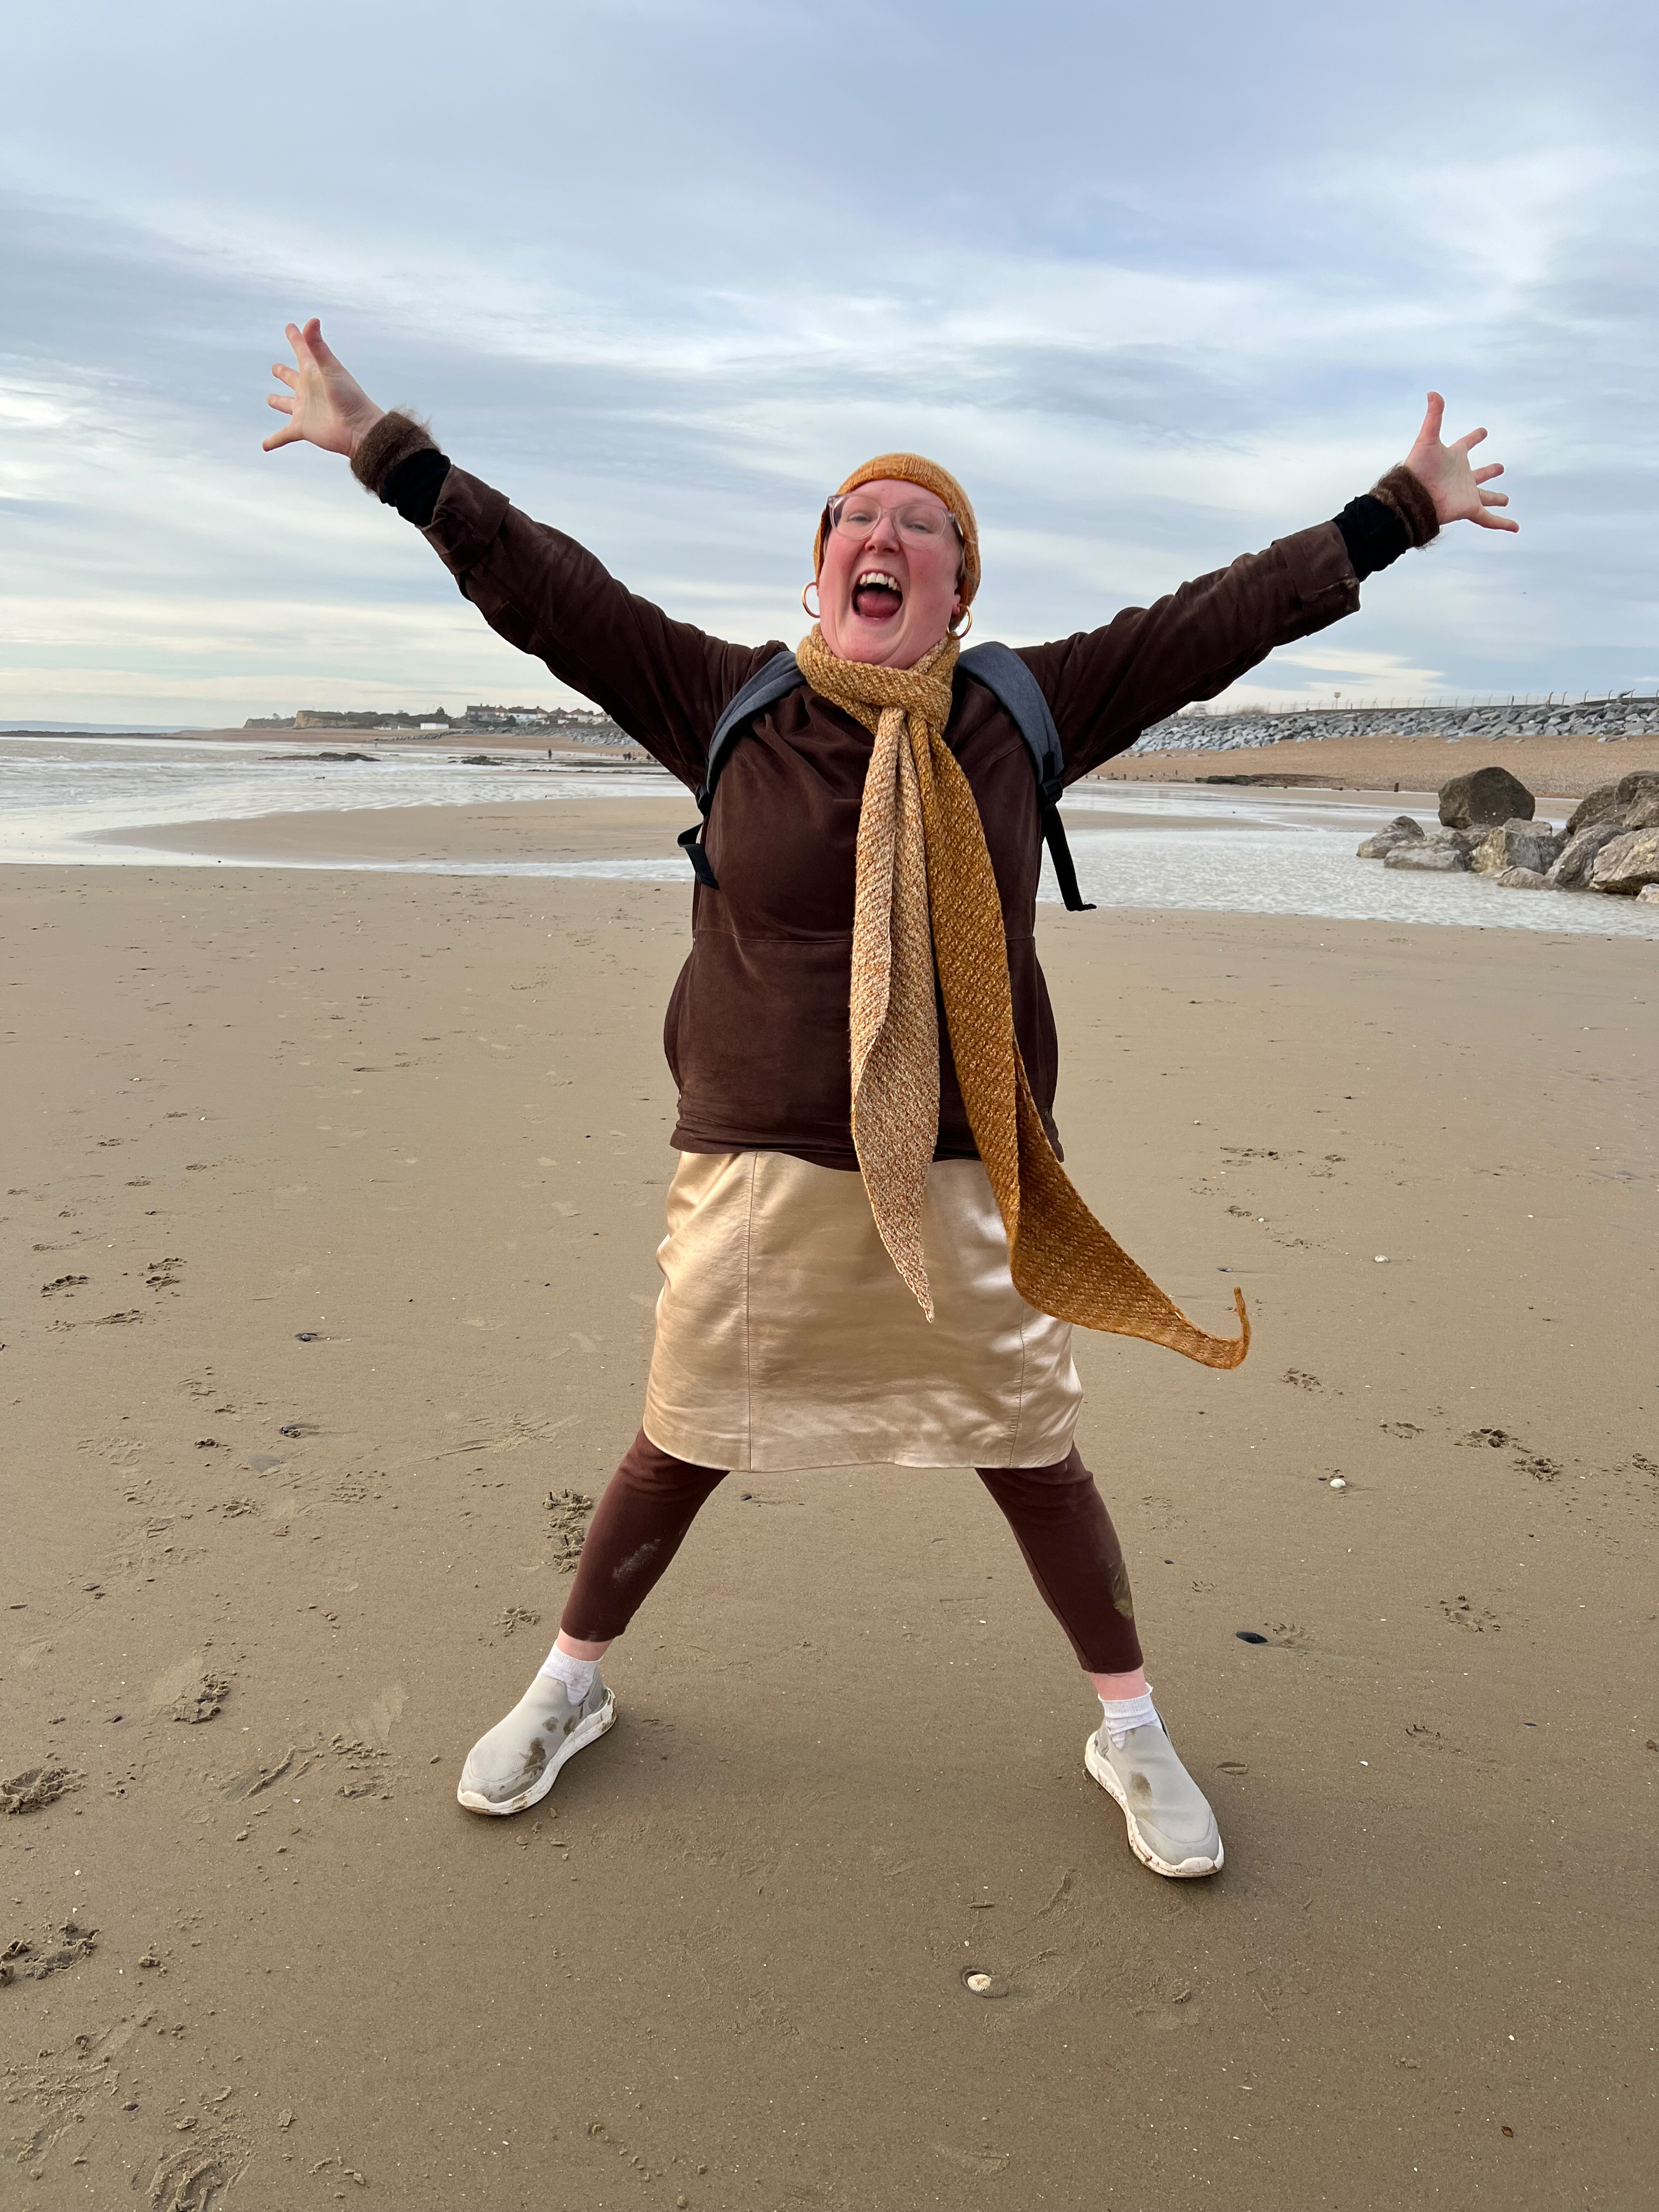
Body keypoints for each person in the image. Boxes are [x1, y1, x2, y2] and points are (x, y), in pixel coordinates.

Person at [264, 319, 1514, 1880]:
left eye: (923, 526)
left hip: (965, 1170)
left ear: (959, 589)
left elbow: (1217, 625)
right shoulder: (725, 702)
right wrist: (386, 448)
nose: (886, 536)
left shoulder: (1017, 715)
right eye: (859, 519)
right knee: (681, 1439)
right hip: (758, 1169)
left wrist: (1394, 510)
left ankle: (1127, 1725)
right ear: (821, 568)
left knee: (1032, 1453)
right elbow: (544, 589)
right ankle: (567, 1686)